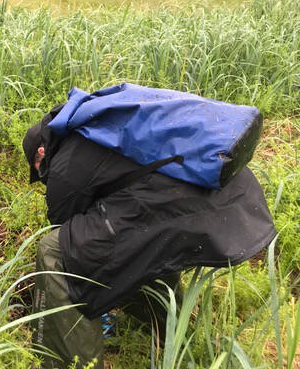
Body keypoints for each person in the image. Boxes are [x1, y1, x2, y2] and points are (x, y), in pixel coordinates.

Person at [23, 105, 276, 368]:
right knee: (132, 237)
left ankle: (74, 363)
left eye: (38, 169)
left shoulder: (64, 164)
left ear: (42, 152)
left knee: (56, 251)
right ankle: (163, 330)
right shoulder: (95, 129)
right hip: (220, 193)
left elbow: (71, 240)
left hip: (180, 206)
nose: (43, 177)